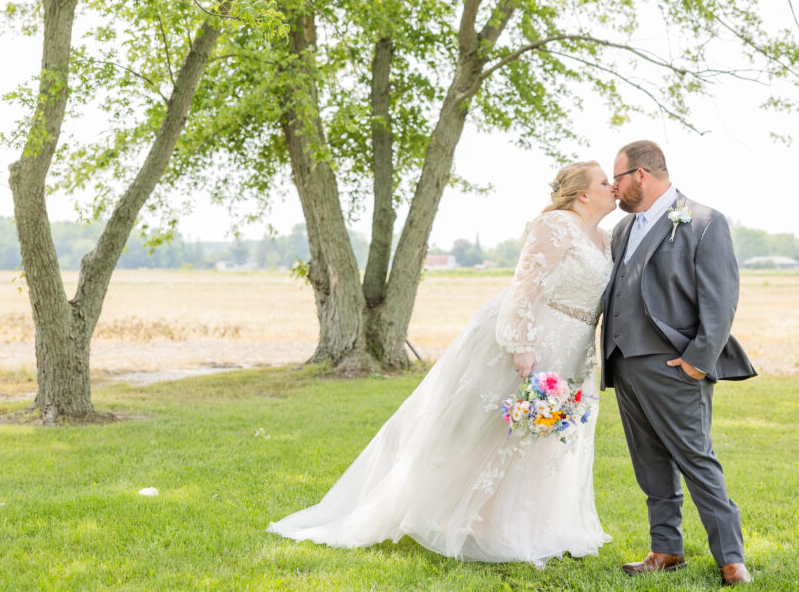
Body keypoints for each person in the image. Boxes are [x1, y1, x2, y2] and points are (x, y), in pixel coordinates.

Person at [268, 161, 618, 565]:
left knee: (542, 438)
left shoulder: (606, 239)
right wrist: (523, 344)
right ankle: (447, 512)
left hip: (572, 348)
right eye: (605, 182)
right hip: (530, 341)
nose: (613, 187)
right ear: (583, 194)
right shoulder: (555, 225)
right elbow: (524, 286)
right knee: (489, 428)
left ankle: (517, 524)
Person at [600, 140, 757, 586]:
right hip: (624, 363)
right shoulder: (622, 230)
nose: (614, 188)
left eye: (618, 178)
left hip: (675, 366)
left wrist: (696, 362)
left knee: (696, 460)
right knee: (649, 463)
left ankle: (731, 558)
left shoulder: (704, 222)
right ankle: (665, 549)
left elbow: (721, 300)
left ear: (642, 175)